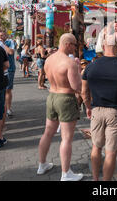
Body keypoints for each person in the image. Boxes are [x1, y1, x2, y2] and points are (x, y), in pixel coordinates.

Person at [81, 23, 117, 181]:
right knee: (111, 151)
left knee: (96, 147)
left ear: (104, 44)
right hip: (115, 111)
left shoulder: (91, 67)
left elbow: (84, 92)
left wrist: (87, 107)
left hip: (96, 110)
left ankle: (95, 179)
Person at [37, 34, 84, 181]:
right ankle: (66, 173)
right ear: (68, 44)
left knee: (48, 132)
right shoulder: (69, 63)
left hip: (52, 96)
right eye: (75, 45)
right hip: (65, 98)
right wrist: (79, 71)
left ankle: (42, 164)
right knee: (66, 138)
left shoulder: (49, 59)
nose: (76, 48)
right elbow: (77, 87)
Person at [0, 30, 16, 117]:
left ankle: (8, 109)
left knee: (8, 89)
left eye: (2, 35)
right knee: (0, 90)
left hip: (10, 69)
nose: (0, 37)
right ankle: (1, 108)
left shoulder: (10, 42)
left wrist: (3, 45)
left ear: (5, 36)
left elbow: (11, 52)